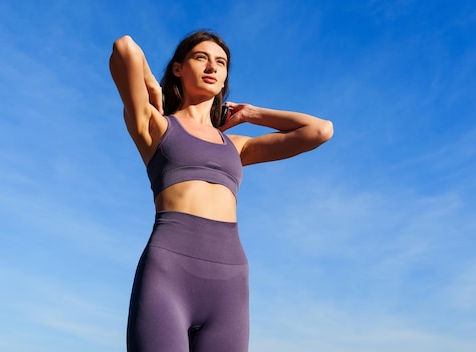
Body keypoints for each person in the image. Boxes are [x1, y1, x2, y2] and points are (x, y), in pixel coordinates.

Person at [109, 29, 333, 352]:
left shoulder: (237, 147)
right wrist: (154, 91)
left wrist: (251, 114)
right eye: (201, 58)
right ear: (178, 68)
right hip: (167, 275)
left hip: (229, 286)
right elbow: (124, 49)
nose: (213, 67)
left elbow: (320, 131)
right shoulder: (157, 127)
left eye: (221, 63)